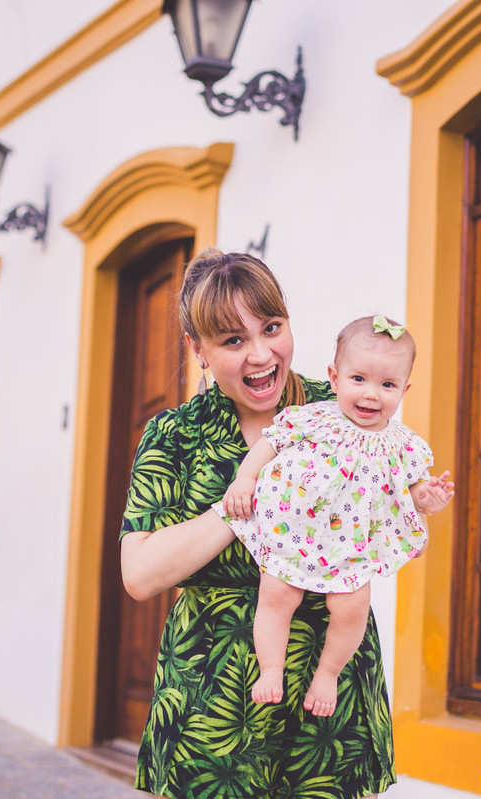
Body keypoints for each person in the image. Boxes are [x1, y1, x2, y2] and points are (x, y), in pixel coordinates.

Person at [118, 249, 404, 799]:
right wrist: (244, 504)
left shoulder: (345, 409)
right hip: (213, 700)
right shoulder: (174, 436)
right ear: (197, 350)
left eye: (271, 328)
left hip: (329, 695)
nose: (260, 355)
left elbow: (389, 507)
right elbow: (141, 574)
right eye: (232, 341)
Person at [158, 315, 455, 718]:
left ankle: (327, 674)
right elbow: (271, 444)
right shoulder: (315, 416)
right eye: (358, 379)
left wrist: (428, 498)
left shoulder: (404, 444)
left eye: (387, 385)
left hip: (350, 546)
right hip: (294, 531)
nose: (371, 394)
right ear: (334, 378)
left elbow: (410, 490)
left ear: (405, 389)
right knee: (277, 596)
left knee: (353, 607)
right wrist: (245, 479)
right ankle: (271, 670)